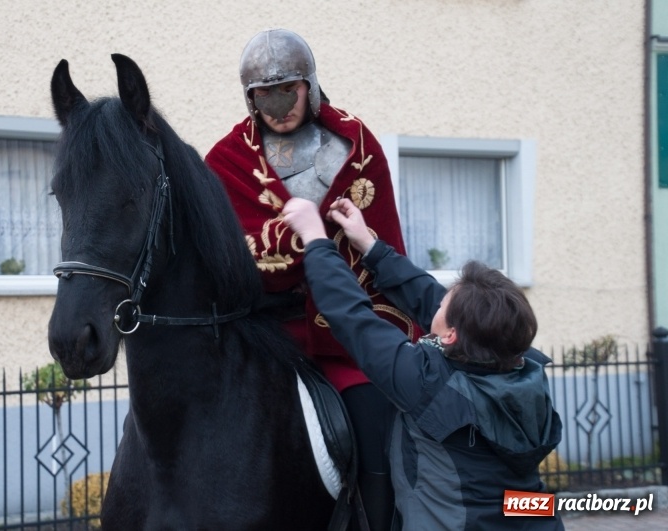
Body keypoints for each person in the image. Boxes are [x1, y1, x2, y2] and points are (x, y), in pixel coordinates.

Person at [205, 28, 422, 530]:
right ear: (249, 98)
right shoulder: (226, 161)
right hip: (262, 334)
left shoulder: (355, 147)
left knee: (375, 427)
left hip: (346, 335)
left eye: (289, 91)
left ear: (311, 84)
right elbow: (222, 256)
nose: (279, 107)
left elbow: (379, 245)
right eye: (266, 96)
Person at [282, 196, 565, 531]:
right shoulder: (527, 366)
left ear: (450, 336)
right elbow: (429, 297)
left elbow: (353, 317)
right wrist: (371, 247)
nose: (436, 304)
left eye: (443, 306)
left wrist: (315, 238)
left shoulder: (427, 383)